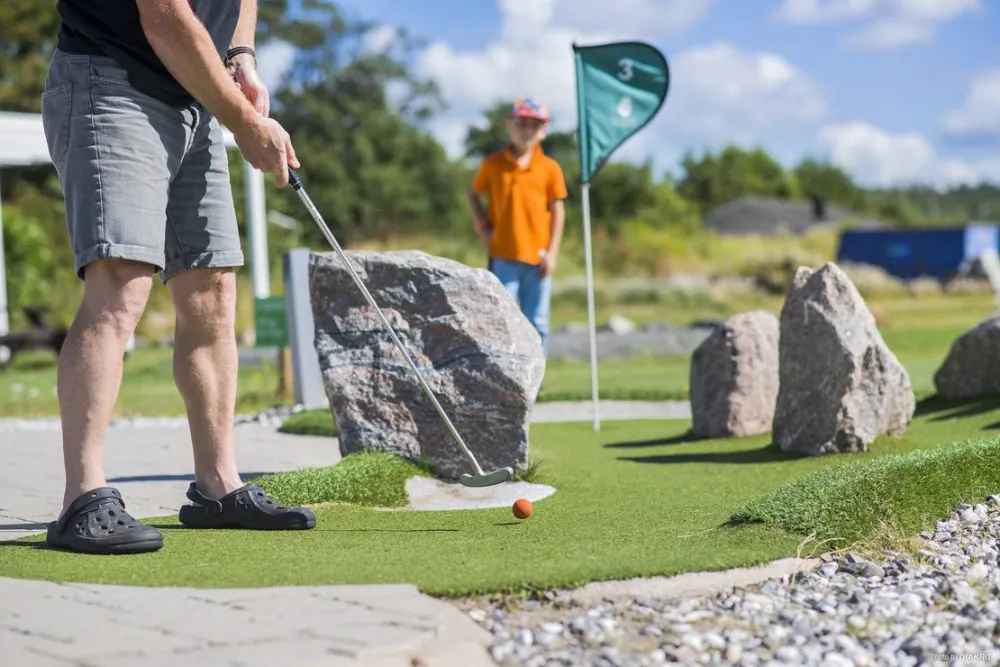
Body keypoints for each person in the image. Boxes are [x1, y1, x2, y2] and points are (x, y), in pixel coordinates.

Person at [41, 0, 316, 555]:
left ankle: (218, 487)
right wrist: (245, 121)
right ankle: (82, 498)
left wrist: (239, 57)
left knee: (212, 292)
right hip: (110, 79)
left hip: (195, 96)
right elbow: (164, 16)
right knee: (121, 285)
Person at [468, 98, 568, 354]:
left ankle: (536, 378)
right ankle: (508, 375)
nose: (526, 131)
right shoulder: (492, 164)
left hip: (539, 257)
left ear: (543, 130)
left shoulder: (550, 168)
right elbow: (473, 194)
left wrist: (553, 253)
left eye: (534, 126)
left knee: (538, 320)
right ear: (509, 125)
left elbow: (558, 210)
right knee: (504, 318)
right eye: (521, 124)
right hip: (503, 254)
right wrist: (483, 227)